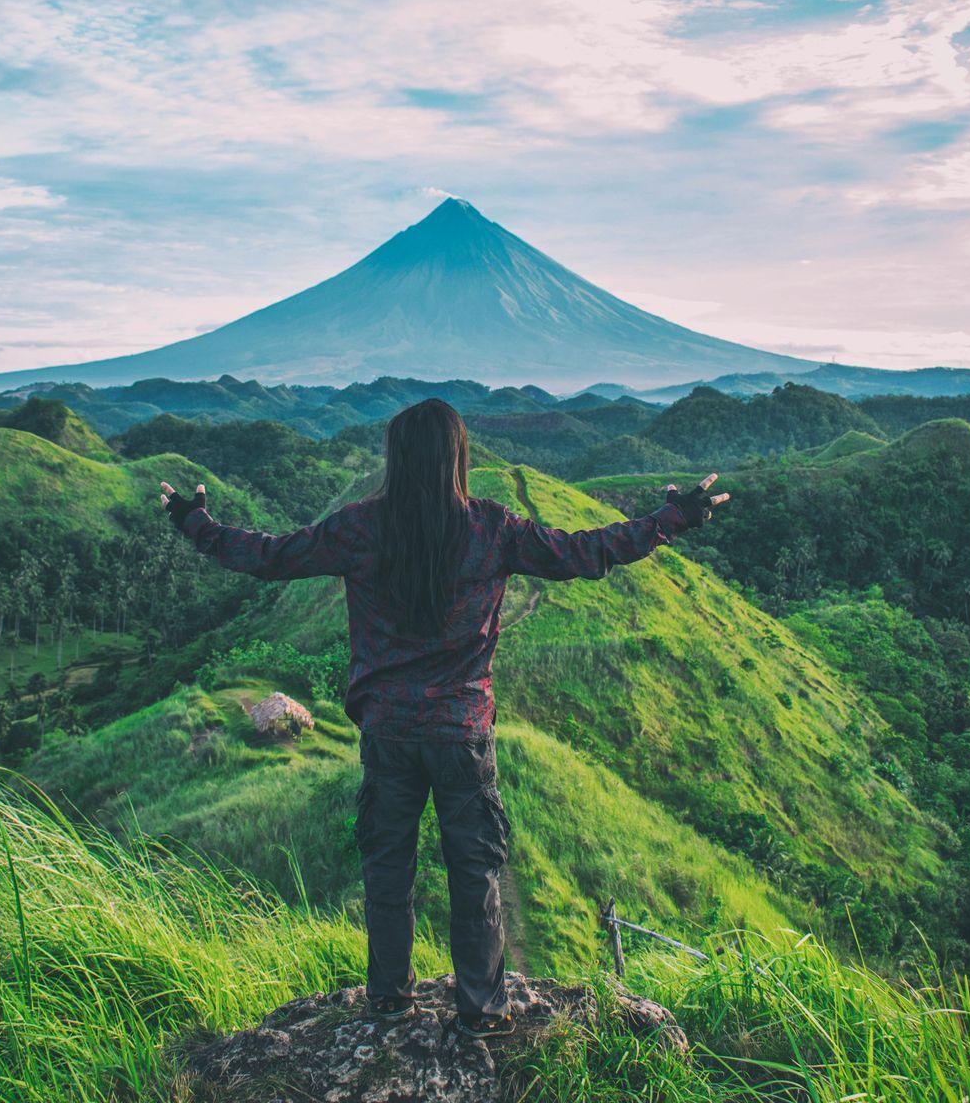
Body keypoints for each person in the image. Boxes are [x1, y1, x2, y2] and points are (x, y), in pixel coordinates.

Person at [156, 397, 726, 1039]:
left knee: (388, 870)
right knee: (475, 872)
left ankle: (389, 1002)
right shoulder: (492, 527)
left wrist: (196, 524)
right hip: (461, 733)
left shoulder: (359, 528)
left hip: (389, 733)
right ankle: (482, 1012)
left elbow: (269, 556)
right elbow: (585, 553)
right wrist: (669, 519)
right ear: (459, 458)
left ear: (396, 459)